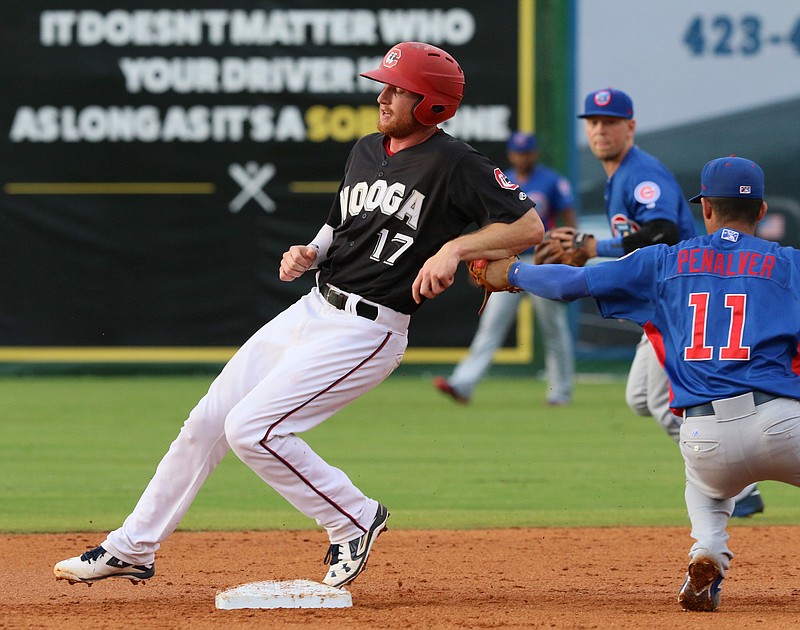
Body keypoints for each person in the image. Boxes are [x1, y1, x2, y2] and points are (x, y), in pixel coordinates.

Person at [52, 42, 543, 589]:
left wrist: (454, 250)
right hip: (313, 306)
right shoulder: (365, 149)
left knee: (252, 429)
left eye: (397, 89)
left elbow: (529, 228)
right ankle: (133, 548)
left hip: (369, 327)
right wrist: (311, 251)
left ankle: (353, 517)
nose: (382, 96)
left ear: (431, 104)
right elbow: (340, 225)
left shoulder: (456, 163)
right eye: (384, 84)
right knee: (206, 423)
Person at [478, 155, 797, 612]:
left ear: (704, 208)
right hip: (782, 424)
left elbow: (571, 284)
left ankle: (707, 550)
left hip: (705, 436)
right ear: (762, 212)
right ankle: (707, 550)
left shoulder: (665, 261)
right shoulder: (789, 265)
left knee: (705, 489)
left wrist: (512, 272)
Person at [564, 88, 762, 516]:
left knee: (659, 401)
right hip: (664, 296)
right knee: (639, 397)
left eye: (611, 121)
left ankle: (737, 486)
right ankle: (734, 460)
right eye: (593, 122)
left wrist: (599, 245)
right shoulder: (620, 175)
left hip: (681, 295)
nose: (600, 129)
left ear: (630, 127)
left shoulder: (641, 174)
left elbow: (660, 234)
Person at [433, 131, 577, 406]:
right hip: (505, 262)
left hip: (541, 261)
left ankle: (561, 391)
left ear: (534, 153)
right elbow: (490, 223)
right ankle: (462, 384)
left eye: (527, 151)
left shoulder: (551, 181)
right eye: (518, 152)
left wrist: (568, 250)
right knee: (490, 327)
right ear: (512, 153)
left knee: (554, 329)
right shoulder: (503, 180)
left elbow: (568, 217)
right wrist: (480, 260)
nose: (522, 157)